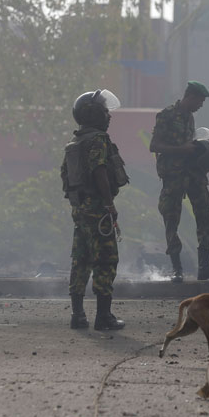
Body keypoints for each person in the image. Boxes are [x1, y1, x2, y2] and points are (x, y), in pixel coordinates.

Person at [61, 89, 129, 331]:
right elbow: (99, 169)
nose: (109, 116)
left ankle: (78, 315)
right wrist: (109, 203)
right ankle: (103, 316)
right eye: (105, 111)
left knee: (80, 259)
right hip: (98, 207)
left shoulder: (75, 141)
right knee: (106, 260)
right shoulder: (97, 139)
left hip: (80, 209)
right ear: (94, 114)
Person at [150, 81, 209, 283]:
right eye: (200, 101)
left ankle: (205, 267)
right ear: (190, 97)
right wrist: (181, 150)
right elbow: (154, 145)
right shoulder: (166, 115)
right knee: (171, 219)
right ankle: (177, 269)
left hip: (193, 173)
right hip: (173, 176)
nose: (201, 105)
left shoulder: (190, 117)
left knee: (205, 214)